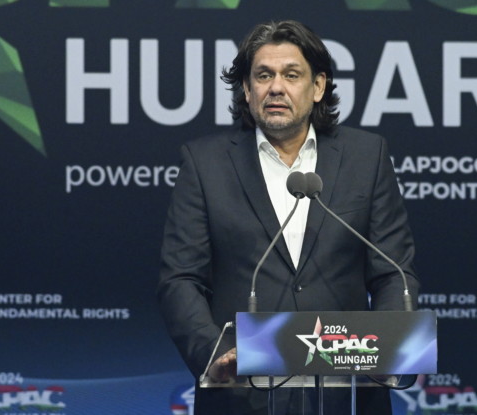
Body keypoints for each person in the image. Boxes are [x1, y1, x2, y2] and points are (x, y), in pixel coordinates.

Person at [157, 20, 419, 415]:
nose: (276, 87)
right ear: (247, 90)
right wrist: (215, 352)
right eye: (263, 75)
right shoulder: (205, 163)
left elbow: (393, 273)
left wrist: (390, 350)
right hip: (241, 395)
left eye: (291, 74)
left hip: (346, 395)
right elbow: (180, 279)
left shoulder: (367, 157)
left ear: (318, 87)